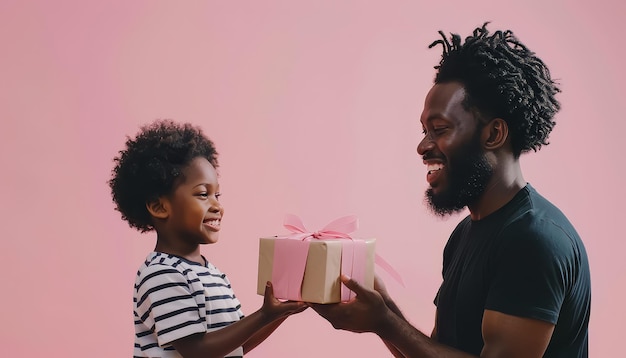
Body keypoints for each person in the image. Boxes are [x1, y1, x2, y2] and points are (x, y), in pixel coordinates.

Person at [312, 23, 591, 357]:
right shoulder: (465, 234)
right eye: (424, 130)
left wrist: (386, 322)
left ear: (494, 134)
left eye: (439, 129)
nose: (423, 146)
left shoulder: (534, 239)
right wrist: (383, 309)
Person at [109, 120, 307, 358]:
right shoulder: (161, 274)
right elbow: (198, 351)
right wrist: (264, 315)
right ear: (159, 206)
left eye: (217, 195)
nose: (217, 206)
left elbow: (237, 344)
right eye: (203, 194)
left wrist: (279, 313)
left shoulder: (211, 273)